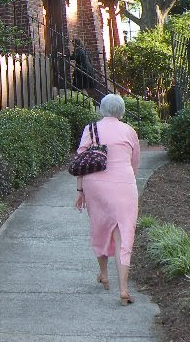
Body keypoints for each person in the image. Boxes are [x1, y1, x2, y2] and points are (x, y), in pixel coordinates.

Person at [74, 93, 141, 305]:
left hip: (96, 185)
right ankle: (123, 289)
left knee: (100, 227)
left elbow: (80, 160)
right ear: (121, 111)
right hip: (124, 184)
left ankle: (104, 274)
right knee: (124, 233)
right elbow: (135, 162)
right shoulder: (130, 131)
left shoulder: (91, 129)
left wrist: (80, 191)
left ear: (101, 109)